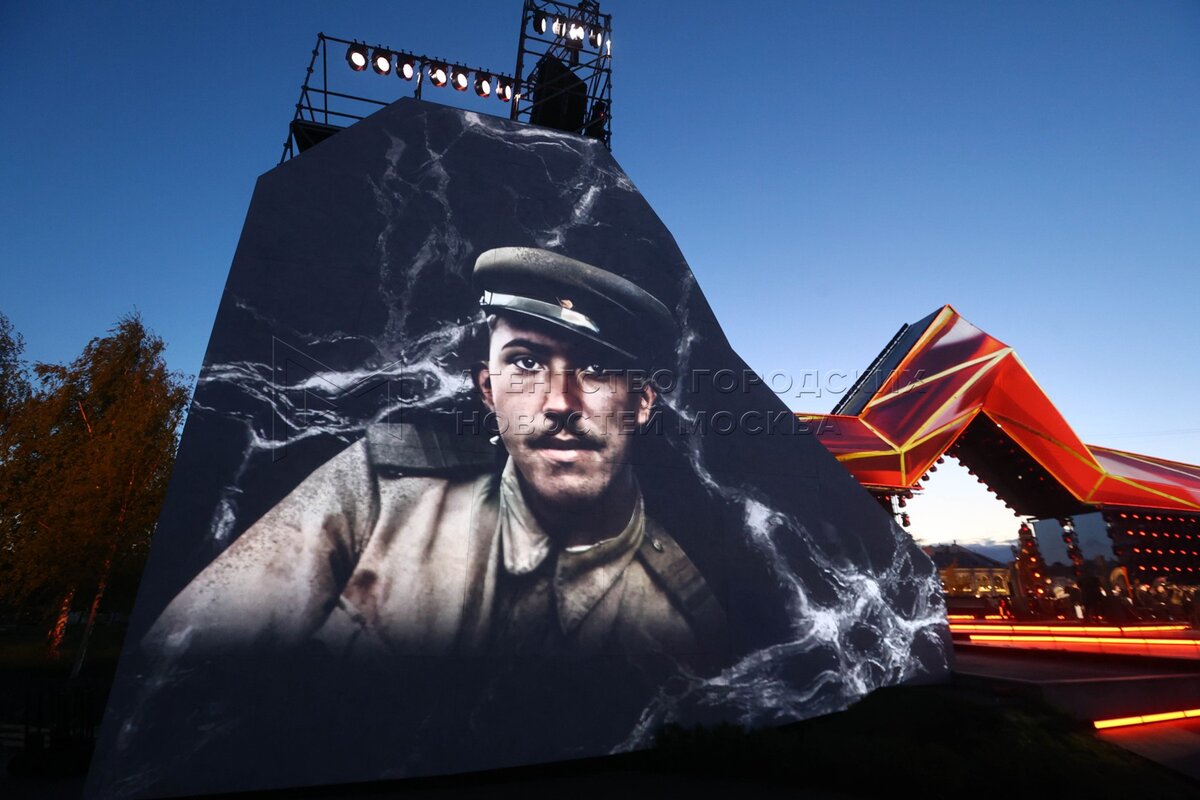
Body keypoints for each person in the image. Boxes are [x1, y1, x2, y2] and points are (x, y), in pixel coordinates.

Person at [143, 247, 727, 671]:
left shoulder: (682, 614)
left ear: (642, 402)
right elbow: (172, 670)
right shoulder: (378, 494)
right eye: (526, 362)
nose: (559, 403)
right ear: (486, 389)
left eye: (597, 368)